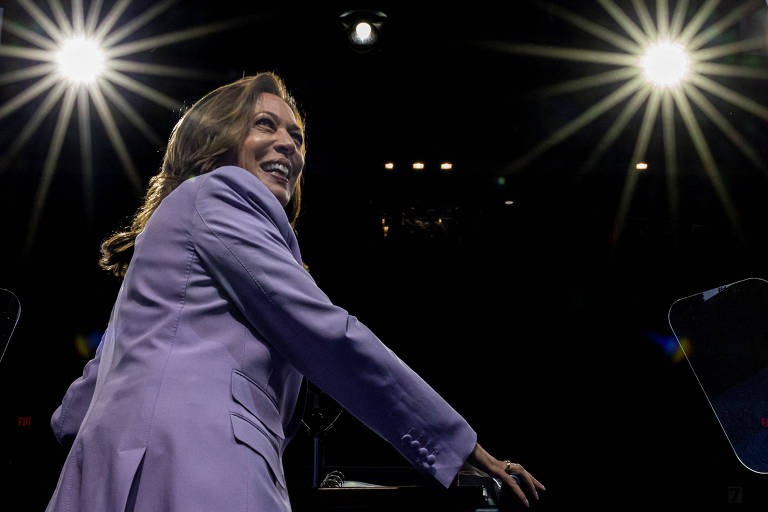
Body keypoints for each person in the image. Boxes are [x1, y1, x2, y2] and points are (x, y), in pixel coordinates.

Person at [46, 72, 545, 512]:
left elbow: (84, 397)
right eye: (266, 124)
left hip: (116, 473)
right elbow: (326, 332)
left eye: (297, 136)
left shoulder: (176, 228)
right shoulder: (219, 193)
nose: (290, 144)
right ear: (217, 139)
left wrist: (115, 440)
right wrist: (453, 446)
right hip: (195, 461)